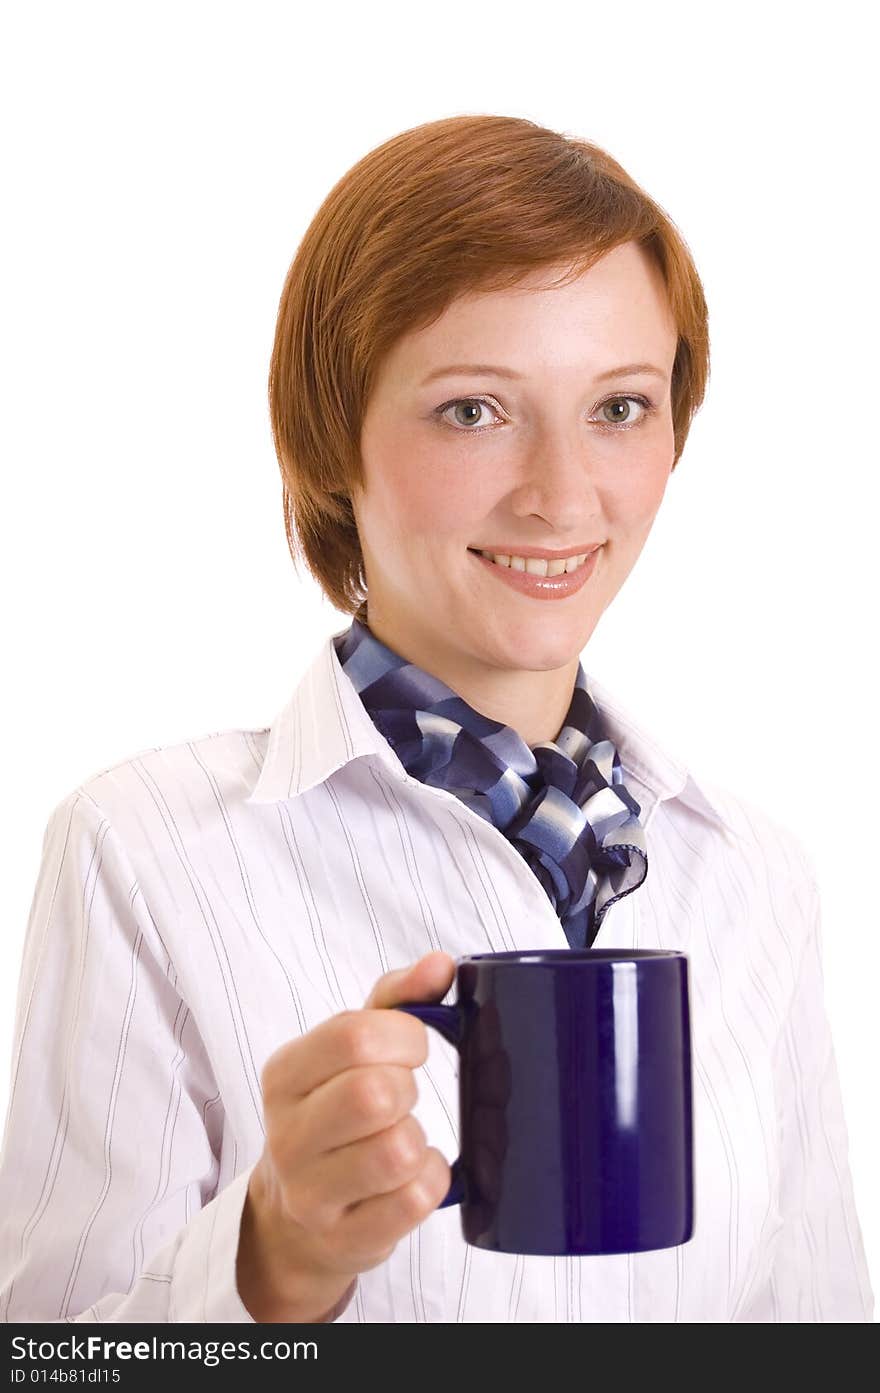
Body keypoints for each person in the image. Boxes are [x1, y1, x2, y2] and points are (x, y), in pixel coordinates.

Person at [0, 113, 873, 1324]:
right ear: (330, 441)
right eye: (474, 411)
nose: (563, 494)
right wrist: (270, 1262)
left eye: (620, 408)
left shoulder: (755, 874)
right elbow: (52, 1353)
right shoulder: (141, 848)